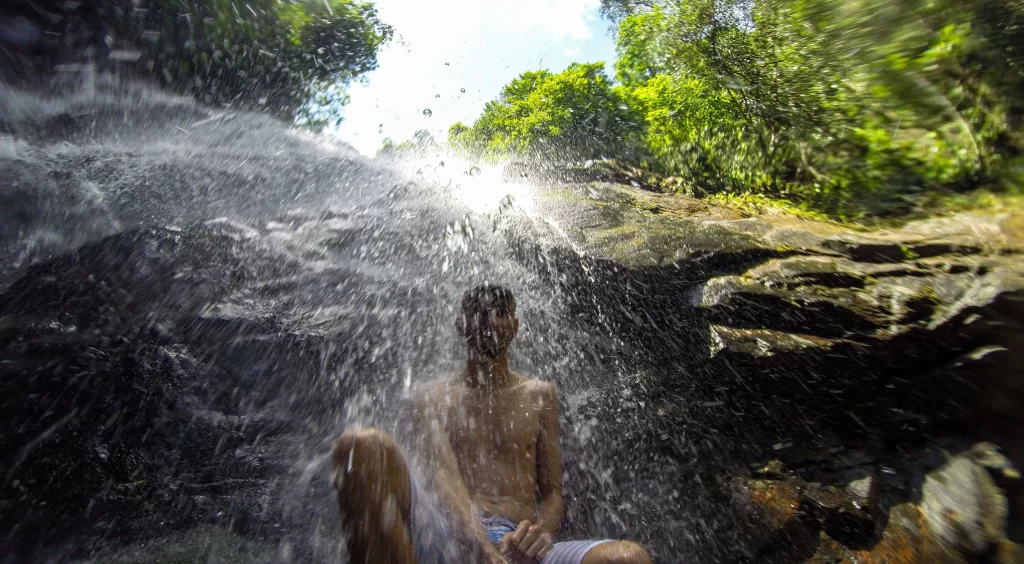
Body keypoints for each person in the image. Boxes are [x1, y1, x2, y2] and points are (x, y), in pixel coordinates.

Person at [332, 284, 653, 564]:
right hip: (449, 538)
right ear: (460, 325)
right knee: (359, 446)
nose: (489, 320)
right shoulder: (430, 397)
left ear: (514, 326)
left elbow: (553, 493)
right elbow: (442, 476)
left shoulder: (540, 395)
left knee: (627, 558)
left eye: (500, 312)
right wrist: (482, 547)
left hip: (519, 544)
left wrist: (539, 532)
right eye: (477, 312)